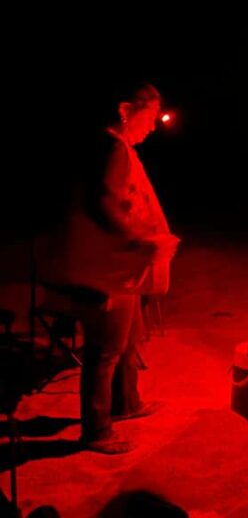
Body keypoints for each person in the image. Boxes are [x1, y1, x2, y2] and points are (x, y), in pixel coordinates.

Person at [47, 81, 179, 454]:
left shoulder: (114, 147)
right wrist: (141, 240)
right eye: (149, 116)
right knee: (105, 349)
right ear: (125, 110)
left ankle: (126, 404)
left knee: (129, 338)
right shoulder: (111, 147)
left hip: (121, 267)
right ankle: (96, 429)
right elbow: (103, 203)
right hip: (108, 269)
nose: (152, 126)